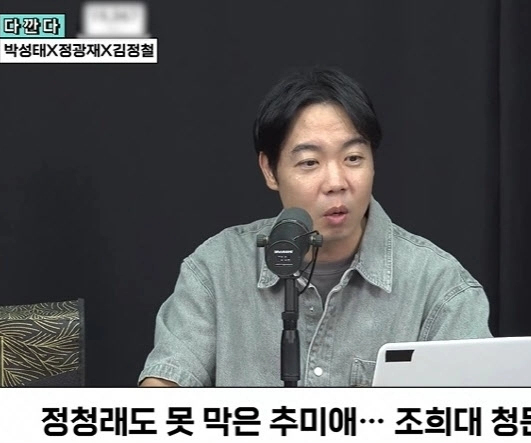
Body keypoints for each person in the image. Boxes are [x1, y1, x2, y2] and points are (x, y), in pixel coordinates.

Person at [139, 67, 491, 387]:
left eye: (353, 158)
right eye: (310, 162)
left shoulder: (439, 285)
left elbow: (478, 414)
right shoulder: (217, 268)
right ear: (269, 170)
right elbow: (164, 387)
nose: (336, 182)